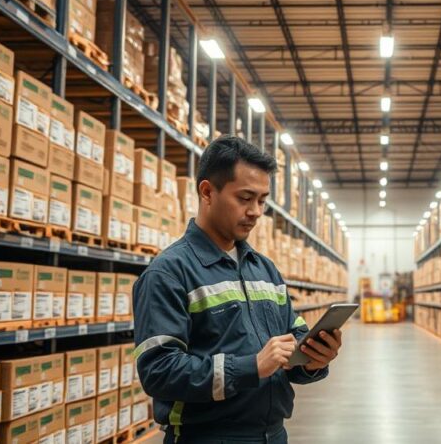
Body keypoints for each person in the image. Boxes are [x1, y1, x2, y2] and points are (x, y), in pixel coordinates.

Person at [133, 136, 342, 443]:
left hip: (273, 435)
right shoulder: (169, 272)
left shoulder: (265, 269)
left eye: (262, 200)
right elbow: (159, 372)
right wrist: (251, 367)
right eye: (245, 198)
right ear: (207, 192)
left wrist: (313, 359)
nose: (256, 211)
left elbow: (292, 338)